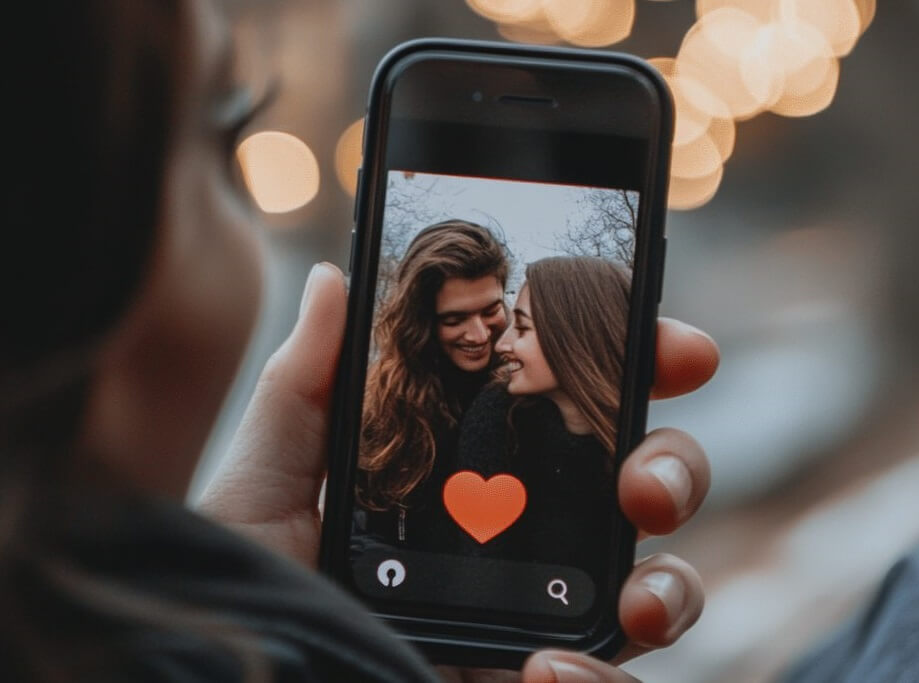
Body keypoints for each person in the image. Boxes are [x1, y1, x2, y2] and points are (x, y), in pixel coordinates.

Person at [3, 0, 718, 680]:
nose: (488, 335)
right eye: (226, 133)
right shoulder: (381, 420)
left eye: (503, 312)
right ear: (83, 252)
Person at [456, 256, 630, 569]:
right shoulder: (499, 415)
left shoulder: (634, 446)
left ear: (572, 339)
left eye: (522, 328)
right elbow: (480, 563)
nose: (501, 345)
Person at [355, 220, 511, 552]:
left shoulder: (528, 392)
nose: (480, 335)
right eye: (455, 320)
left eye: (491, 311)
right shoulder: (380, 403)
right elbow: (358, 523)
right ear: (421, 321)